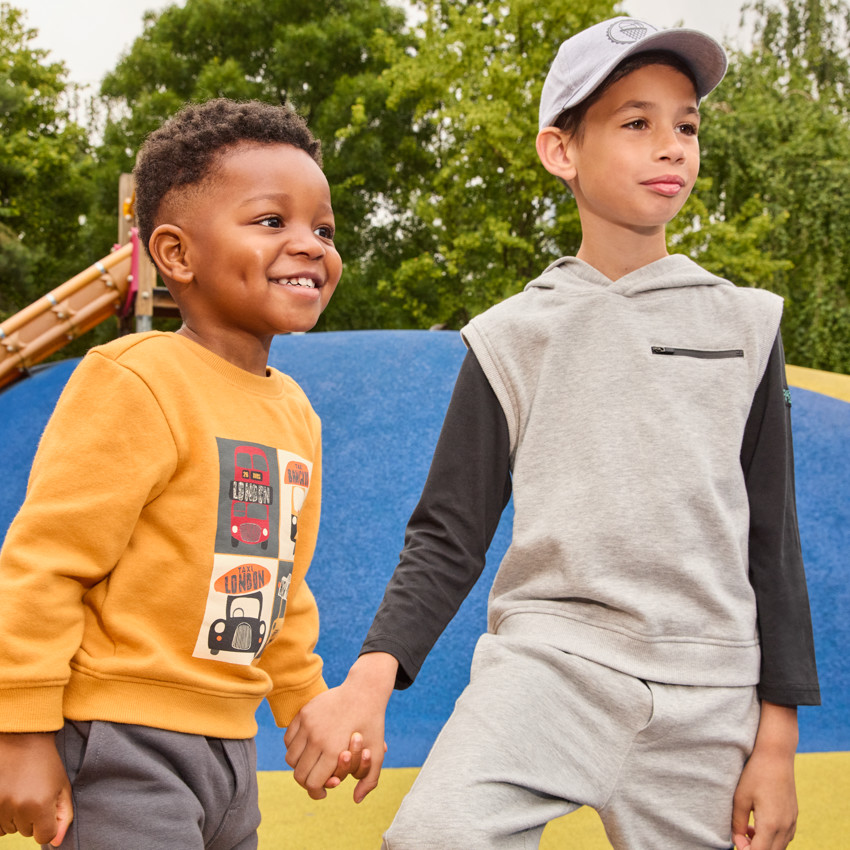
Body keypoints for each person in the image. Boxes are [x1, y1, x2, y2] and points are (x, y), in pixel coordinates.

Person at [282, 17, 821, 850]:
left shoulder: (747, 325)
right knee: (433, 838)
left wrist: (776, 738)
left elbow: (773, 541)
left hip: (710, 691)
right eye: (636, 122)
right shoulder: (510, 336)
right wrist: (369, 680)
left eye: (686, 125)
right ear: (559, 151)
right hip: (548, 672)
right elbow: (448, 534)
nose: (671, 146)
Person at [0, 97, 366, 849]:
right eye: (272, 222)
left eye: (322, 229)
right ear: (176, 254)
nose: (308, 245)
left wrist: (305, 707)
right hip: (123, 740)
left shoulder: (296, 413)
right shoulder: (138, 379)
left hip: (232, 751)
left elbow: (280, 584)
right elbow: (46, 564)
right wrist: (21, 730)